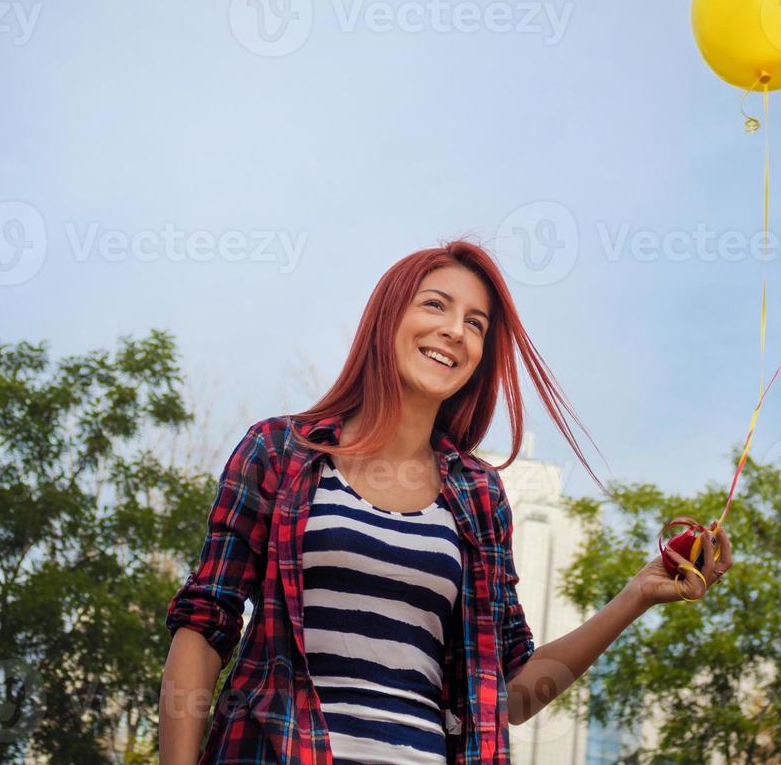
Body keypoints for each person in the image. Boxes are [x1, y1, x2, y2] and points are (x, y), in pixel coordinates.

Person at [160, 239, 732, 765]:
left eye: (475, 324)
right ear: (389, 318)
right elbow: (204, 626)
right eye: (436, 305)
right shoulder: (278, 451)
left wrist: (636, 595)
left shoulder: (479, 496)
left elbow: (510, 693)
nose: (456, 331)